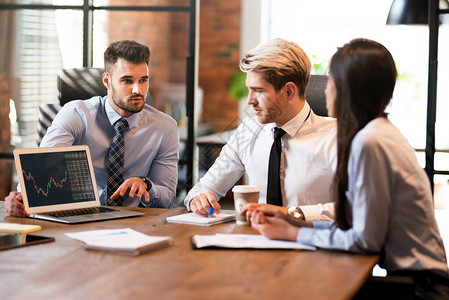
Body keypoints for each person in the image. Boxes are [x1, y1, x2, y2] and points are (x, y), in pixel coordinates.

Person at [247, 38, 449, 298]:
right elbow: (356, 223)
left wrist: (292, 234)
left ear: (346, 89)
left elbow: (363, 241)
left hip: (421, 289)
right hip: (413, 281)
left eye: (331, 79)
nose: (324, 88)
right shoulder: (379, 132)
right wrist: (291, 218)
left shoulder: (370, 142)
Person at [5, 40, 179, 217]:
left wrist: (146, 185)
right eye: (127, 81)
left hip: (133, 220)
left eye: (143, 80)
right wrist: (20, 199)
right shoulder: (76, 114)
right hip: (77, 216)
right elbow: (42, 171)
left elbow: (167, 198)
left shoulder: (164, 127)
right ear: (107, 80)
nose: (138, 90)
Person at [184, 38, 337, 221]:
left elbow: (357, 209)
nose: (250, 100)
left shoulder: (334, 137)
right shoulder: (248, 132)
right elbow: (204, 188)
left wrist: (291, 214)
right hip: (254, 241)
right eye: (249, 90)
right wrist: (198, 198)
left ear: (289, 91)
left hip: (311, 244)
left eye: (259, 91)